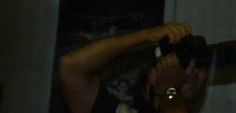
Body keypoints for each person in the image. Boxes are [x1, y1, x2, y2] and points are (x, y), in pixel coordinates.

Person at [57, 22, 206, 113]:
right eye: (182, 66)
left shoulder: (171, 94)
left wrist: (170, 90)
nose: (192, 72)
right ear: (153, 75)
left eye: (200, 66)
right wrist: (148, 35)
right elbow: (70, 67)